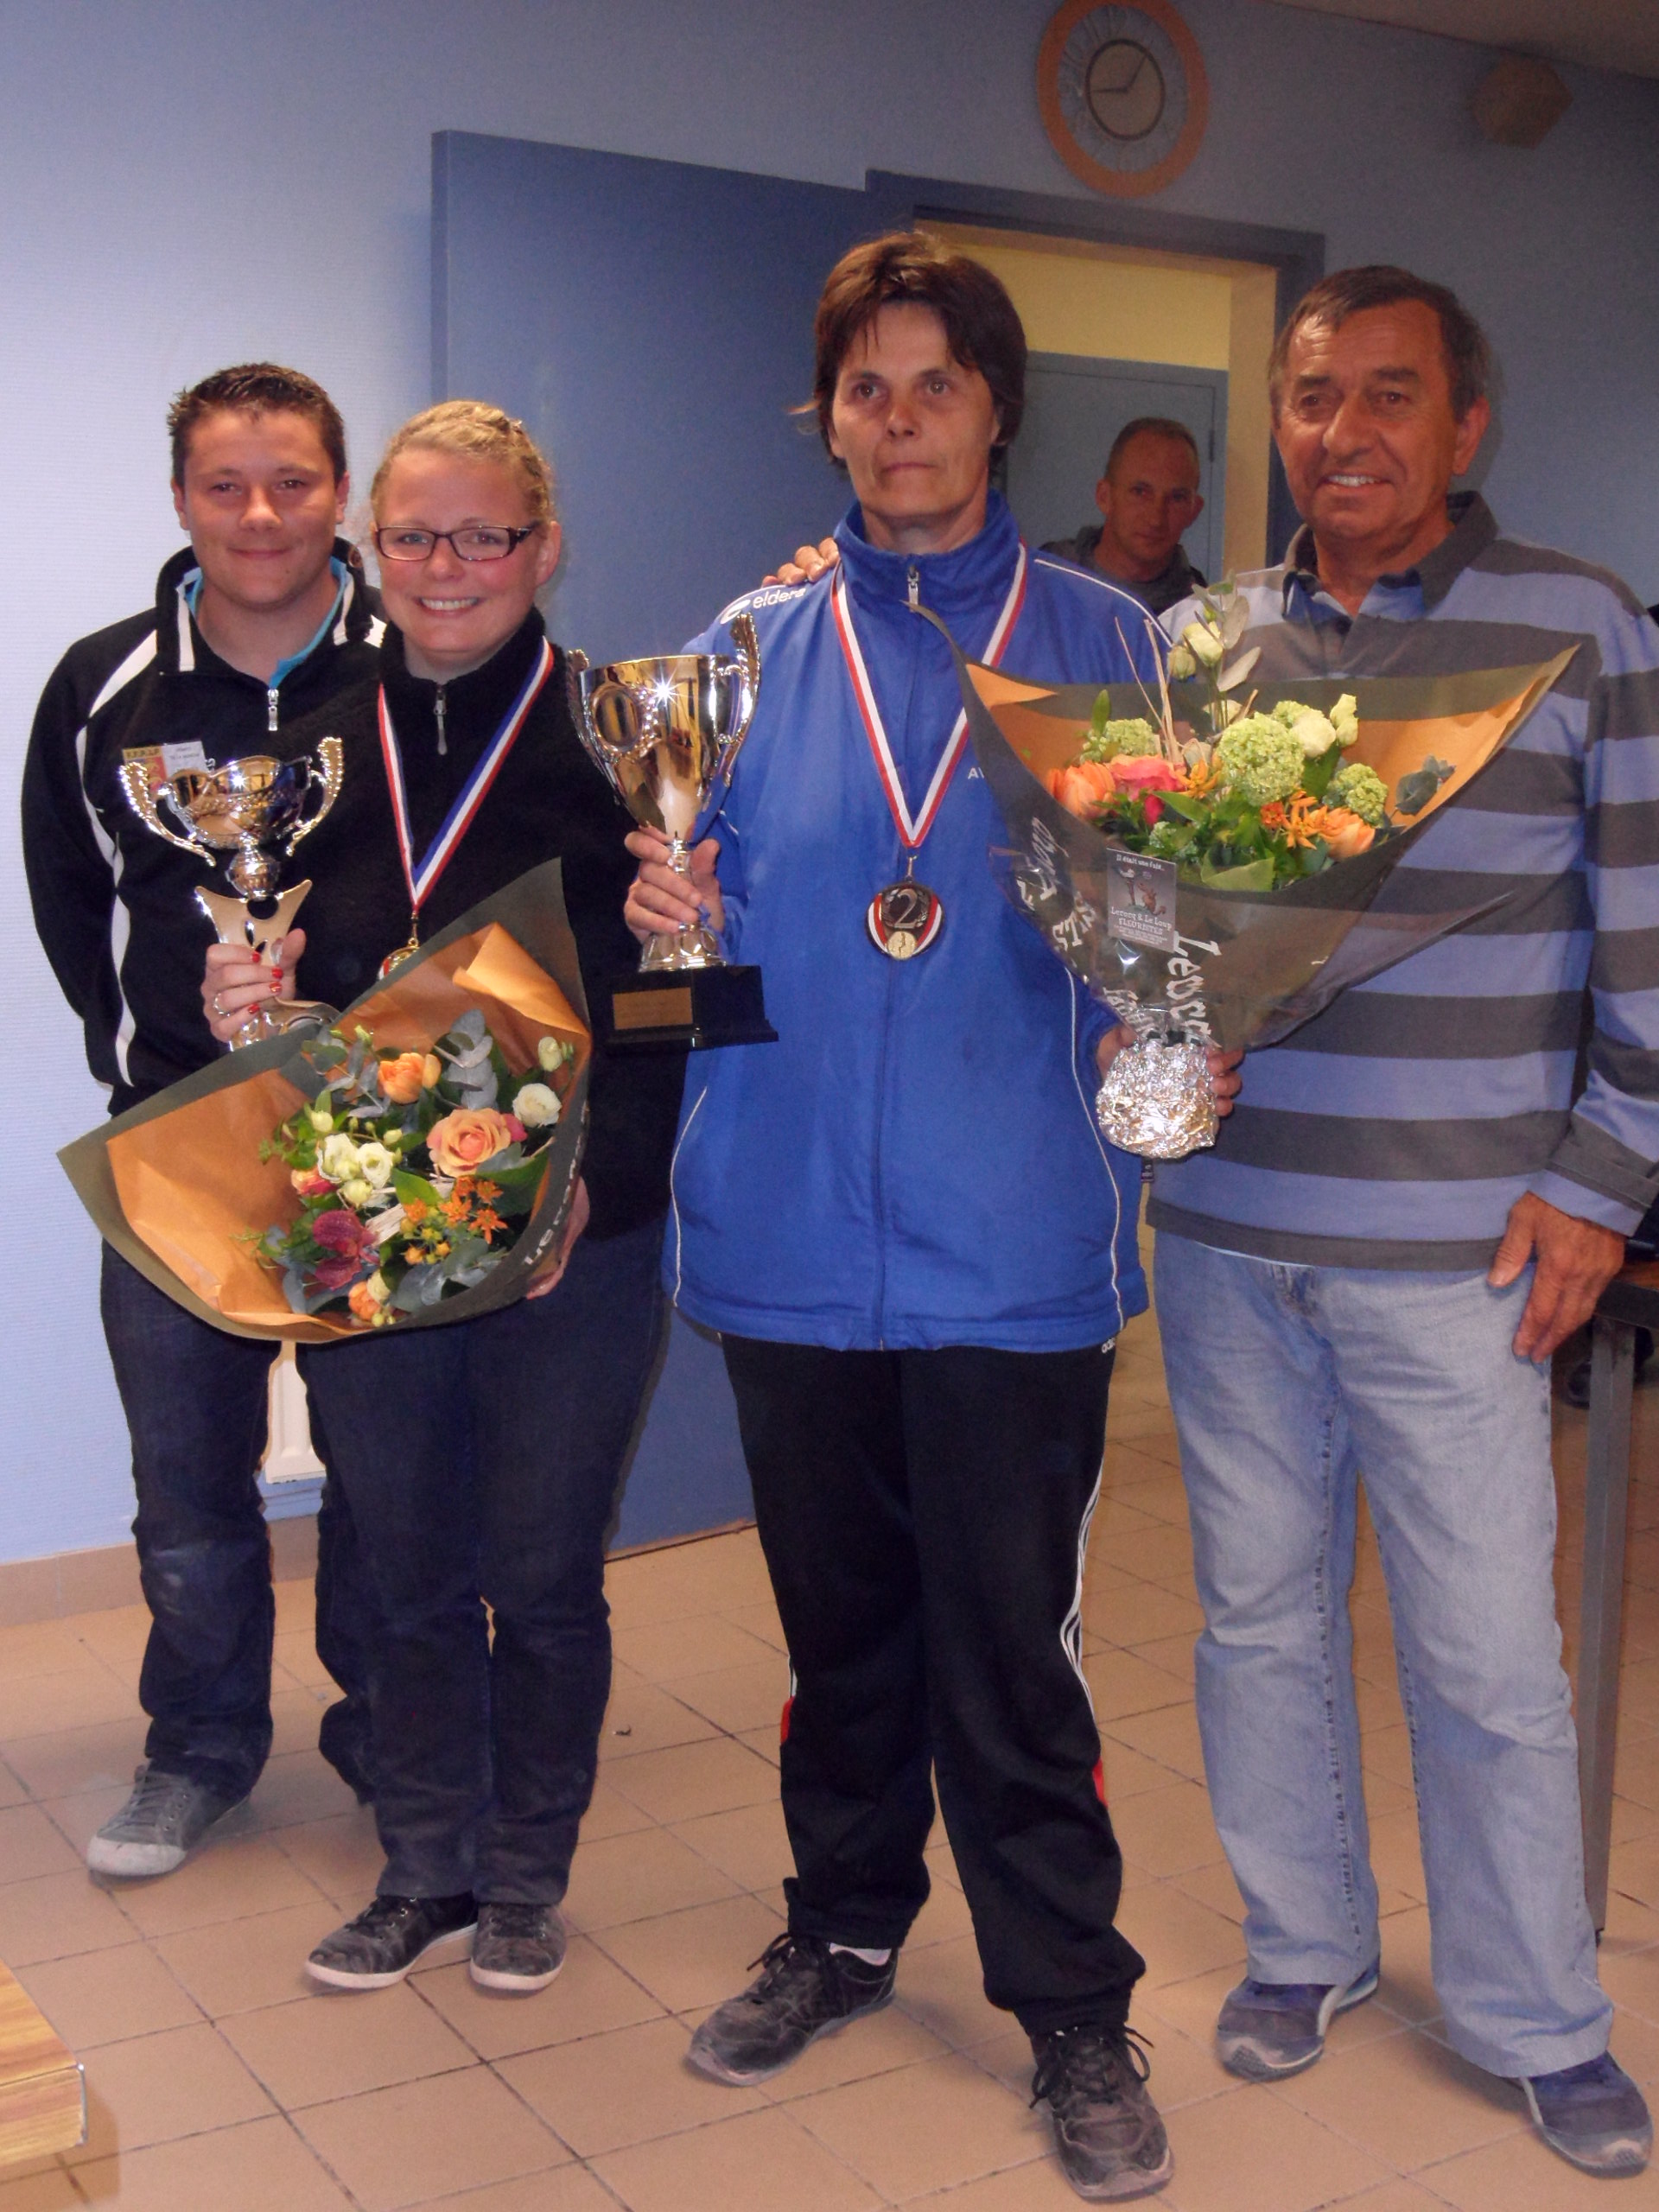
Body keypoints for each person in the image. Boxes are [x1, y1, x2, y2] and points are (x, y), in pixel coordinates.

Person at [627, 233, 1236, 2204]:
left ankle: (1070, 2000)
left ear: (995, 408)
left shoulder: (1109, 646)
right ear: (831, 413)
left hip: (1010, 1245)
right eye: (865, 388)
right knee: (838, 1634)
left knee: (1012, 1648)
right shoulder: (735, 652)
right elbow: (687, 965)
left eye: (937, 385)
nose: (900, 421)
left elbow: (1167, 934)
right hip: (790, 1234)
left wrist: (1182, 1005)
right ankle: (843, 1925)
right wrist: (667, 933)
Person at [1151, 266, 1659, 2180]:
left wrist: (1604, 1180)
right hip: (1227, 1230)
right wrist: (1154, 1030)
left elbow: (1651, 931)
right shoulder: (1213, 635)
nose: (1342, 431)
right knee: (1258, 1623)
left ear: (1465, 426)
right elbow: (1168, 916)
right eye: (1309, 395)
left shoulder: (1583, 623)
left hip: (1472, 1249)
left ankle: (1535, 2011)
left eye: (1387, 395)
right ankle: (1308, 1944)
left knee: (1485, 1657)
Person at [204, 401, 684, 1993]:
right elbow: (300, 982)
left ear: (542, 548)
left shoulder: (628, 736)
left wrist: (581, 1197)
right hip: (368, 1222)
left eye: (484, 534)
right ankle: (425, 1865)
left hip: (574, 1240)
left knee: (539, 1575)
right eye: (414, 535)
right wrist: (250, 1005)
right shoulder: (315, 736)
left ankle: (528, 1874)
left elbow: (674, 1010)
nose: (446, 566)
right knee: (399, 1562)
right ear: (374, 551)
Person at [22, 364, 382, 1877]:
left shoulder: (421, 662)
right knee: (186, 1482)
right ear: (179, 499)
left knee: (390, 1471)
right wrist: (153, 1061)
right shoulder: (105, 688)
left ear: (339, 491)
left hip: (391, 1142)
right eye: (226, 484)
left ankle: (395, 1731)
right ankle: (202, 1747)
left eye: (292, 480)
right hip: (177, 1140)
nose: (259, 513)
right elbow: (68, 902)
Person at [1041, 416, 1206, 615]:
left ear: (1194, 511)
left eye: (1177, 498)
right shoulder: (1044, 578)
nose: (1156, 518)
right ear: (1105, 497)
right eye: (1140, 492)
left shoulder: (1202, 614)